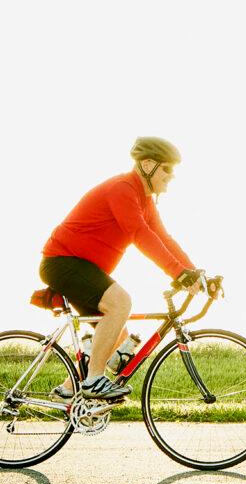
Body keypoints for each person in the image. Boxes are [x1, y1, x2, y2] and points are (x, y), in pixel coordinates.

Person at [41, 136, 210, 400]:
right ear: (148, 164)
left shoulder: (145, 200)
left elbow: (164, 239)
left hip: (83, 268)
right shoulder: (123, 189)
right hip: (63, 262)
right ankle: (94, 380)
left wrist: (194, 271)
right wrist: (177, 273)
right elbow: (140, 234)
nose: (171, 176)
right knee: (120, 303)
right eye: (167, 169)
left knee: (117, 339)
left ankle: (68, 390)